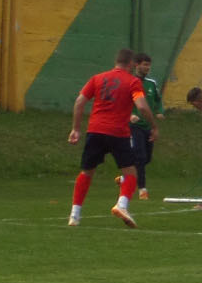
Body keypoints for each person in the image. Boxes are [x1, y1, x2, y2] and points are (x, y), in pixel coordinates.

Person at [68, 48, 158, 228]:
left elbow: (79, 102)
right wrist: (154, 126)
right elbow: (141, 106)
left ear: (116, 61)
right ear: (131, 63)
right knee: (131, 172)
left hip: (95, 131)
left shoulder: (97, 78)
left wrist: (76, 129)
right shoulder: (133, 82)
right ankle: (122, 205)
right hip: (118, 132)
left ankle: (74, 215)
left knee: (87, 172)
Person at [128, 51, 164, 199]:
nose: (147, 68)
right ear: (136, 65)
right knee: (140, 157)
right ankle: (142, 190)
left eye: (149, 65)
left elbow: (158, 100)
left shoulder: (151, 84)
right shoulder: (129, 82)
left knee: (147, 158)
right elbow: (122, 102)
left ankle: (125, 177)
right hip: (133, 126)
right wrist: (130, 115)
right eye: (145, 64)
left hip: (148, 126)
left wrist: (160, 111)